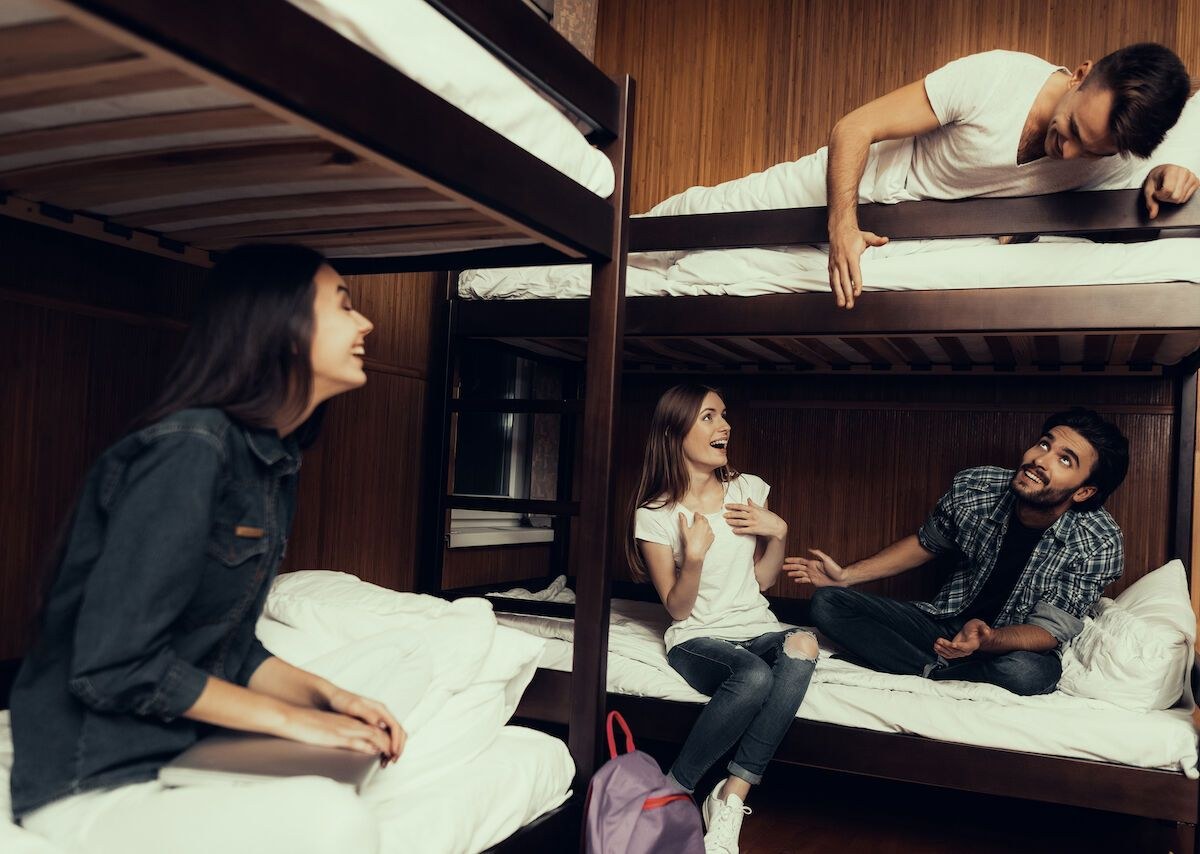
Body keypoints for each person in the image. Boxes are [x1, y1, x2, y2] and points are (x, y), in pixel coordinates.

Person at [10, 245, 397, 854]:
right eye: (344, 305)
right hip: (95, 779)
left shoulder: (271, 459)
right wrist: (298, 722)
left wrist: (332, 698)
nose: (366, 323)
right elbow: (114, 666)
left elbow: (223, 649)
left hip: (182, 757)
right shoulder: (191, 447)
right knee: (334, 821)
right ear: (279, 325)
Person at [647, 43, 1196, 308]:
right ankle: (603, 250)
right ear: (1080, 75)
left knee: (719, 272)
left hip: (912, 234)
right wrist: (841, 224)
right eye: (1071, 129)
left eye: (1089, 150)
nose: (1068, 151)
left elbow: (1163, 158)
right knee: (701, 215)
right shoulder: (996, 78)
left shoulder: (1114, 153)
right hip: (853, 181)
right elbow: (854, 127)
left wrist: (1173, 172)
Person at [788, 408, 1128, 697]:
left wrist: (988, 639)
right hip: (943, 626)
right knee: (827, 603)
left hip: (1012, 645)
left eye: (1065, 460)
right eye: (1044, 444)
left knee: (1027, 673)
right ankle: (938, 670)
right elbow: (926, 542)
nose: (1039, 460)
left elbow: (1049, 630)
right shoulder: (977, 488)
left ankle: (922, 669)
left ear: (1083, 492)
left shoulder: (1098, 541)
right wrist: (847, 576)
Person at [628, 384, 816, 854]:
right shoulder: (655, 513)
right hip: (697, 636)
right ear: (674, 433)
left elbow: (763, 581)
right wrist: (692, 558)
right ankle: (673, 789)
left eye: (724, 415)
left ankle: (731, 794)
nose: (724, 426)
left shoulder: (748, 490)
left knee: (804, 644)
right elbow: (677, 608)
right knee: (752, 677)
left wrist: (779, 533)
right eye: (709, 417)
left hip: (756, 625)